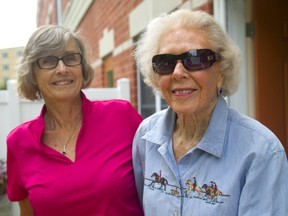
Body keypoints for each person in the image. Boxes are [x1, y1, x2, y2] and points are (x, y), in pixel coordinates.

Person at [132, 9, 288, 216]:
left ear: (222, 72)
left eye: (196, 59)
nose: (178, 73)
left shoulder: (260, 151)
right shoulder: (146, 136)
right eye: (165, 62)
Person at [6, 25, 144, 216]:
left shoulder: (121, 116)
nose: (62, 69)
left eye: (70, 58)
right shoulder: (18, 142)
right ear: (33, 75)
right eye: (48, 61)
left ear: (82, 68)